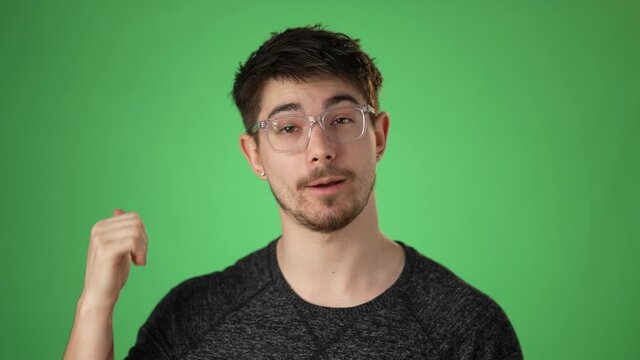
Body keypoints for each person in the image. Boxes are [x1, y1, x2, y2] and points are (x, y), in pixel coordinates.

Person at [64, 25, 523, 359]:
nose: (320, 151)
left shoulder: (467, 329)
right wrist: (94, 305)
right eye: (287, 127)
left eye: (341, 120)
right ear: (254, 155)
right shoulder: (194, 317)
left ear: (378, 136)